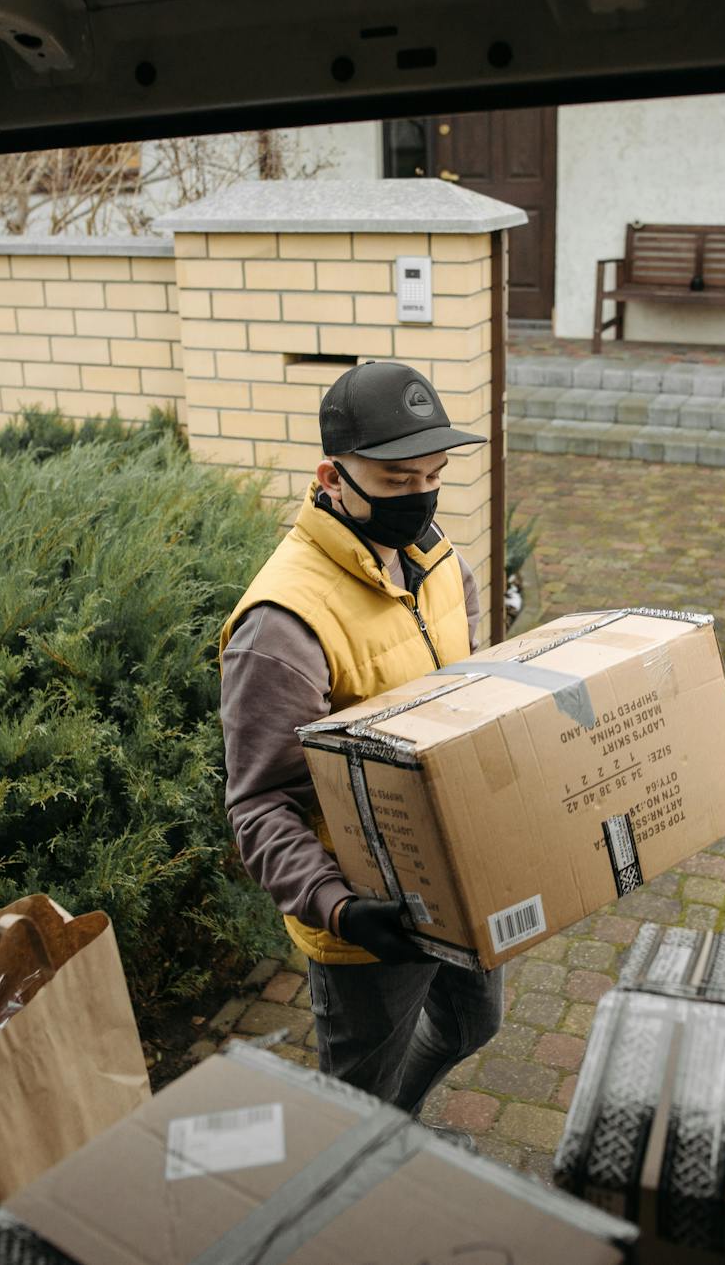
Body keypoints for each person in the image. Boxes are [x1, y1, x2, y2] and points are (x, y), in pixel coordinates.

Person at [218, 360, 504, 1113]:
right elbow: (257, 807)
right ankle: (352, 1185)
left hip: (461, 875)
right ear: (332, 476)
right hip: (367, 921)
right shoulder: (281, 625)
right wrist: (341, 908)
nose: (421, 497)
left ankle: (390, 1140)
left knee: (475, 1023)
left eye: (433, 476)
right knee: (354, 1100)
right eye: (397, 480)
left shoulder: (440, 564)